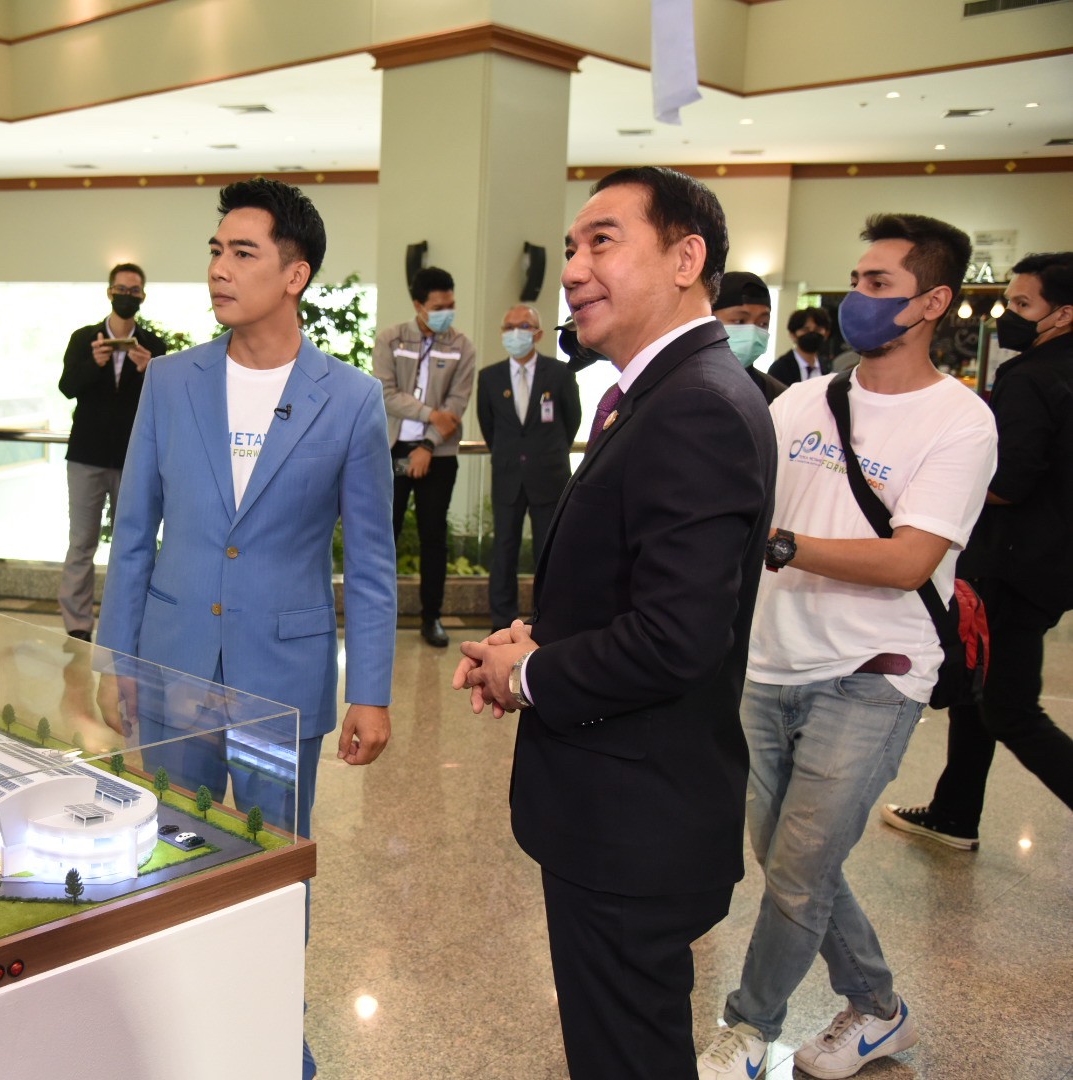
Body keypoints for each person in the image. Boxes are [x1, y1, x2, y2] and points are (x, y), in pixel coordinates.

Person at [452, 166, 776, 1080]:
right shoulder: (661, 391)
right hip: (623, 809)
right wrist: (535, 641)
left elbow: (677, 636)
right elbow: (635, 585)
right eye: (570, 249)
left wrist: (529, 675)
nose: (573, 269)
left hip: (636, 822)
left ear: (685, 258)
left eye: (603, 241)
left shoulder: (697, 405)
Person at [97, 177, 396, 1080]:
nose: (219, 270)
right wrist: (116, 658)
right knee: (169, 851)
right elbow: (134, 531)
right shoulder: (172, 381)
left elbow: (371, 561)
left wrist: (371, 691)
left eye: (243, 253)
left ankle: (270, 1031)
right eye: (215, 251)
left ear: (294, 274)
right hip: (174, 660)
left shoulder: (350, 398)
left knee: (272, 863)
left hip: (282, 676)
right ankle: (177, 1030)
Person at [696, 214, 996, 1080]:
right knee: (792, 861)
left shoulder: (961, 421)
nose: (854, 297)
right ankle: (879, 1009)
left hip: (873, 674)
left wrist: (782, 545)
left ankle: (749, 1028)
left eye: (878, 284)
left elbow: (909, 560)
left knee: (798, 870)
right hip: (768, 664)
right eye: (855, 280)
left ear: (932, 302)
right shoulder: (803, 401)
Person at [883, 250, 1073, 849]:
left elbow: (1007, 480)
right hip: (1050, 560)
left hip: (1013, 564)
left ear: (1063, 313)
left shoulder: (1032, 377)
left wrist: (941, 485)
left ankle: (955, 810)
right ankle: (955, 811)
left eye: (1022, 304)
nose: (1008, 314)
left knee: (1009, 708)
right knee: (977, 687)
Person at [56, 263, 167, 641]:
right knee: (81, 542)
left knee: (131, 543)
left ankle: (126, 621)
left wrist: (149, 370)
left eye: (134, 291)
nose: (127, 296)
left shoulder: (154, 347)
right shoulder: (84, 338)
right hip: (86, 455)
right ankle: (77, 625)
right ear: (109, 292)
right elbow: (67, 387)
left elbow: (165, 403)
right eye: (121, 289)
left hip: (135, 459)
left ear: (142, 296)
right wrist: (94, 363)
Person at [374, 265, 476, 648]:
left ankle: (431, 618)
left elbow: (457, 405)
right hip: (394, 451)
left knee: (434, 538)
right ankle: (379, 616)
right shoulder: (391, 339)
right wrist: (430, 414)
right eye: (438, 307)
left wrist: (428, 444)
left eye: (451, 305)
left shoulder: (463, 346)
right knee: (386, 534)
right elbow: (385, 393)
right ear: (418, 305)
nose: (446, 313)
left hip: (439, 453)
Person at [475, 304, 580, 631]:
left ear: (537, 333)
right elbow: (489, 426)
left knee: (548, 553)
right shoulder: (489, 377)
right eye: (508, 327)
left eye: (522, 326)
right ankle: (501, 624)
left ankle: (547, 621)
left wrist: (545, 452)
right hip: (508, 476)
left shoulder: (560, 373)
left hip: (549, 476)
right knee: (503, 552)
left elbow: (572, 421)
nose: (514, 333)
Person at [712, 270, 787, 404]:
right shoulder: (683, 383)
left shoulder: (777, 396)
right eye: (739, 321)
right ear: (709, 318)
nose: (752, 332)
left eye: (763, 323)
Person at [768, 306, 834, 385]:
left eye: (817, 329)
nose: (812, 333)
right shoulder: (779, 369)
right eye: (805, 330)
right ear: (793, 335)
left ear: (826, 334)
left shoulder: (829, 367)